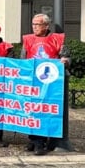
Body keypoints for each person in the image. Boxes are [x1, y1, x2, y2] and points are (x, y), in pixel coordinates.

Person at [22, 14, 69, 153]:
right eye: (33, 24)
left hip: (51, 83)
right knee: (32, 110)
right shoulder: (28, 40)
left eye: (38, 24)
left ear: (46, 26)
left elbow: (66, 57)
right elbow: (23, 59)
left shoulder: (58, 40)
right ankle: (34, 139)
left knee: (44, 111)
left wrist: (65, 61)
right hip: (33, 82)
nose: (34, 27)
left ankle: (40, 142)